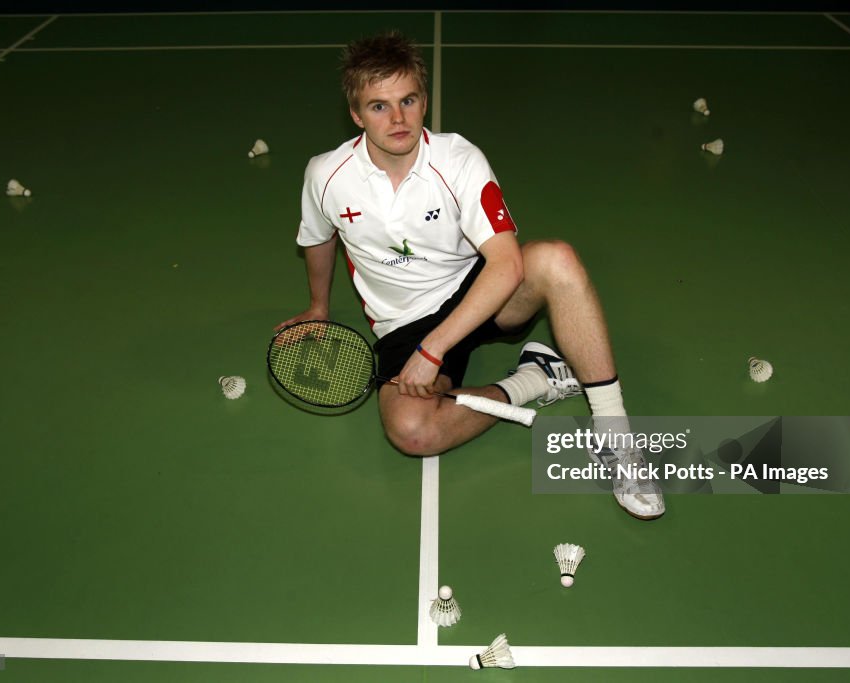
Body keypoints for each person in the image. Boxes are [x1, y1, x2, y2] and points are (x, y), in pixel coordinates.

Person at [275, 31, 664, 520]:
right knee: (414, 431)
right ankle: (535, 379)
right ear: (355, 115)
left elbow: (505, 264)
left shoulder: (459, 160)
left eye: (408, 101)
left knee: (556, 259)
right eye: (379, 106)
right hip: (401, 322)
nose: (397, 119)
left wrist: (432, 352)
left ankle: (615, 437)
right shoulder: (326, 175)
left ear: (423, 101)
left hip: (475, 291)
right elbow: (317, 239)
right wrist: (319, 308)